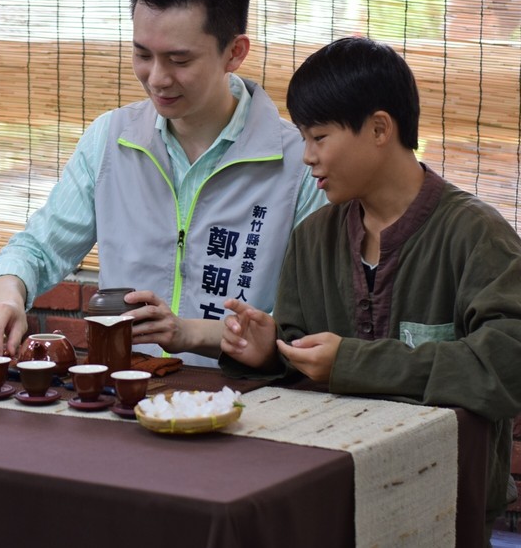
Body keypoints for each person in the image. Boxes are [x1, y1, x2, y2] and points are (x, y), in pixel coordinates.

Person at [0, 0, 327, 366]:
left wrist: (189, 333)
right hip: (124, 387)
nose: (157, 78)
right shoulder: (111, 139)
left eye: (179, 60)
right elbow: (38, 248)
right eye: (142, 54)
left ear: (234, 52)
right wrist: (8, 298)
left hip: (247, 394)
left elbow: (307, 326)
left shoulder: (299, 163)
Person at [219, 36, 521, 536]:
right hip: (328, 494)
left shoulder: (476, 235)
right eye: (303, 138)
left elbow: (507, 368)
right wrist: (271, 351)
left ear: (380, 128)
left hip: (446, 502)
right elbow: (301, 350)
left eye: (319, 137)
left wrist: (353, 362)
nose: (307, 157)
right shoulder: (313, 238)